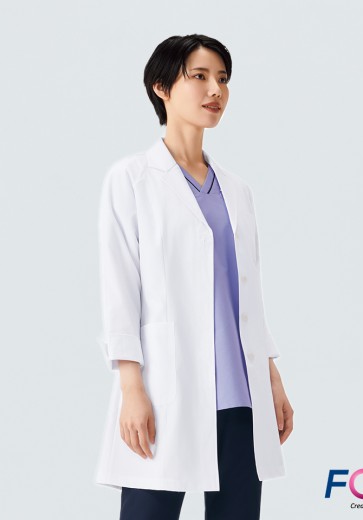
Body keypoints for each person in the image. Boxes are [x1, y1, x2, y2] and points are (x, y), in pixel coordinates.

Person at [94, 34, 294, 520]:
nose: (215, 90)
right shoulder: (131, 179)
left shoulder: (237, 190)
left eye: (222, 78)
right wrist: (132, 387)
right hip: (169, 389)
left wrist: (271, 376)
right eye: (199, 77)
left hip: (241, 397)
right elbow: (120, 290)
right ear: (162, 88)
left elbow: (246, 294)